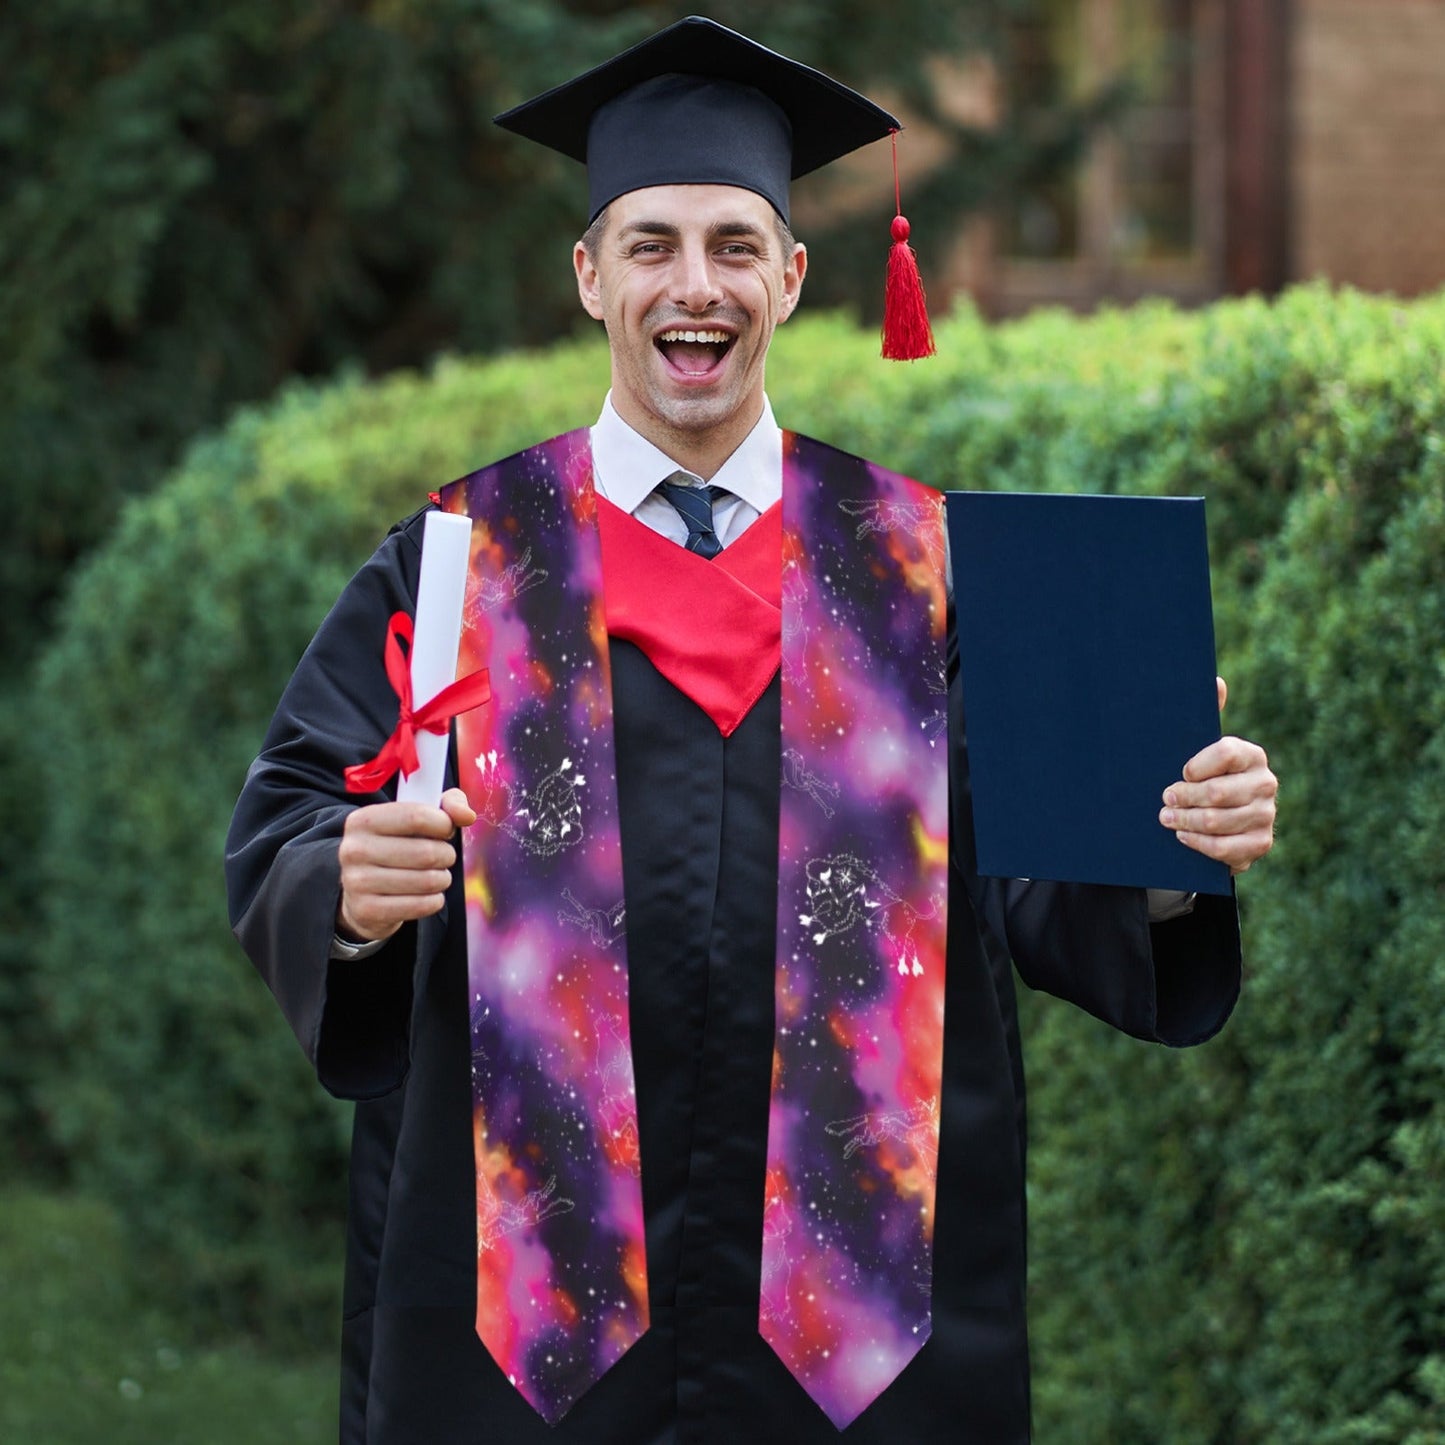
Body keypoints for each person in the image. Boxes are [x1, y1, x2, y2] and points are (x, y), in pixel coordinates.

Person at [225, 17, 1277, 1445]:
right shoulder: (464, 561)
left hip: (859, 1336)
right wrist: (343, 887)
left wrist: (1165, 845)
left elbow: (1037, 883)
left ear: (789, 276)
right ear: (589, 275)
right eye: (650, 244)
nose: (692, 285)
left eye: (732, 244)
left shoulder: (926, 567)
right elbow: (291, 818)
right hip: (529, 1330)